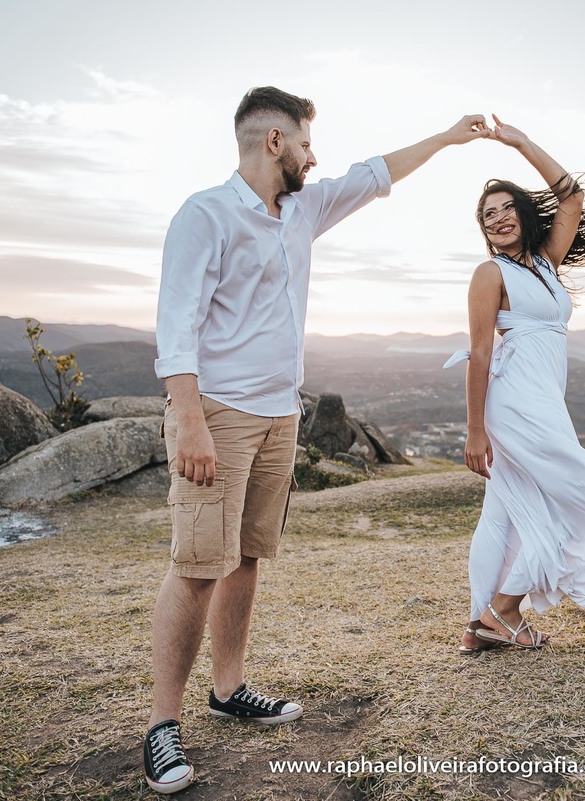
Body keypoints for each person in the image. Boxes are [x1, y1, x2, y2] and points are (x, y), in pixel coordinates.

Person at [145, 86, 489, 794]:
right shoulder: (204, 215)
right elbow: (175, 325)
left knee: (246, 555)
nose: (314, 155)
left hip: (279, 414)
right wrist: (188, 419)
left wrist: (451, 136)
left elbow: (374, 173)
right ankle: (161, 724)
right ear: (276, 142)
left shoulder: (301, 209)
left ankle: (229, 686)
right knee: (197, 565)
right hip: (220, 413)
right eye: (305, 142)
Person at [444, 115, 585, 654]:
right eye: (489, 215)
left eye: (508, 207)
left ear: (524, 215)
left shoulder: (545, 264)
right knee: (580, 487)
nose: (500, 218)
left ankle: (480, 625)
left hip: (543, 400)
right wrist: (474, 431)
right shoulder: (491, 275)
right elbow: (480, 354)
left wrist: (520, 142)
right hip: (514, 406)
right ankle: (503, 610)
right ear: (482, 230)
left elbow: (571, 197)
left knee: (505, 511)